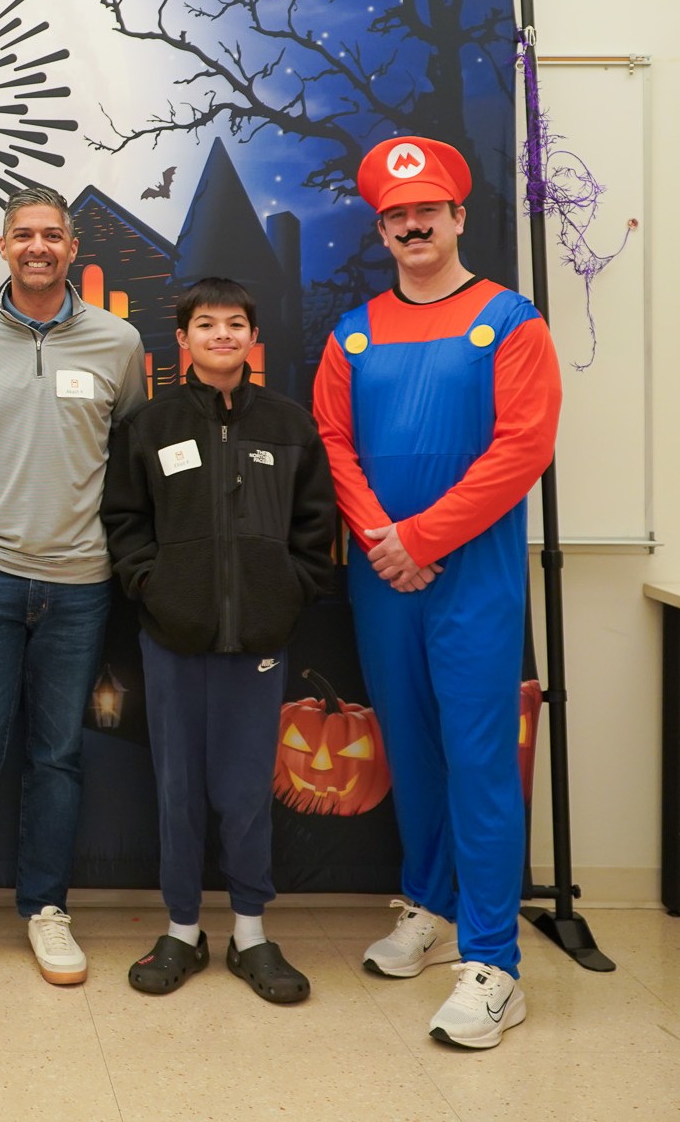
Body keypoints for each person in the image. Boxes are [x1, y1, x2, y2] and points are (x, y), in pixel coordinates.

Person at [311, 136, 561, 1049]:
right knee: (408, 754)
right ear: (381, 228)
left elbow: (521, 449)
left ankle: (493, 962)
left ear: (457, 216)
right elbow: (331, 443)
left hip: (471, 579)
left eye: (428, 211)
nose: (413, 225)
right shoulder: (353, 331)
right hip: (383, 579)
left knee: (480, 760)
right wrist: (387, 545)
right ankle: (425, 905)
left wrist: (417, 540)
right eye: (396, 215)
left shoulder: (510, 319)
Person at [0, 184, 146, 987]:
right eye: (22, 235)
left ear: (71, 248)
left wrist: (109, 554)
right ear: (2, 247)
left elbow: (131, 466)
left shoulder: (116, 342)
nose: (37, 246)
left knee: (58, 756)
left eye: (51, 235)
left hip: (80, 584)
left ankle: (46, 910)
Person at [103, 277, 335, 1003]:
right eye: (206, 325)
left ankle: (249, 933)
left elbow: (315, 527)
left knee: (242, 793)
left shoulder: (289, 424)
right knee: (176, 791)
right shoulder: (150, 424)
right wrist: (153, 587)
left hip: (258, 640)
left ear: (252, 336)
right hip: (172, 638)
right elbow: (124, 520)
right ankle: (180, 929)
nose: (222, 336)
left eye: (235, 323)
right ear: (182, 339)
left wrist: (285, 591)